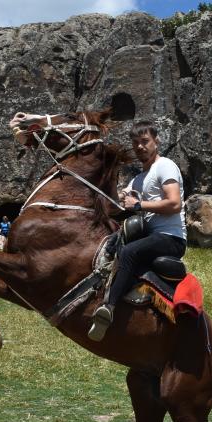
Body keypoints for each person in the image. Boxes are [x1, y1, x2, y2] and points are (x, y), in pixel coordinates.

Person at [88, 121, 186, 342]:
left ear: (156, 141)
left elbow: (174, 204)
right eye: (136, 143)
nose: (140, 147)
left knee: (130, 252)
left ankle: (109, 308)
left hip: (171, 238)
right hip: (151, 236)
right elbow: (121, 205)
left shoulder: (166, 166)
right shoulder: (138, 179)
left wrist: (139, 205)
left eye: (145, 141)